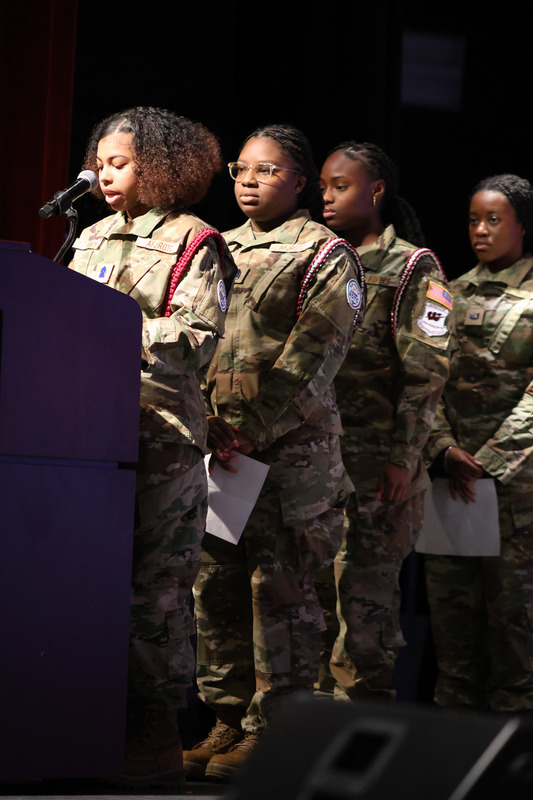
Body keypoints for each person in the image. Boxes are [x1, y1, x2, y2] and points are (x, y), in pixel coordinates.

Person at [182, 124, 365, 781]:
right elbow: (193, 342)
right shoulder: (216, 248)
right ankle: (227, 719)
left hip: (290, 456)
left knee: (280, 592)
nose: (249, 181)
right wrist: (205, 422)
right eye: (241, 169)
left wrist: (253, 427)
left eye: (266, 170)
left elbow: (314, 357)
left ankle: (277, 730)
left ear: (300, 182)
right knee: (216, 589)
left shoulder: (325, 255)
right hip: (220, 450)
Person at [68, 106, 236, 786]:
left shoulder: (197, 241)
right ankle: (82, 722)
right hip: (84, 432)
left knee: (155, 591)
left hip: (161, 436)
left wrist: (114, 331)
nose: (105, 175)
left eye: (121, 163)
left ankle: (156, 732)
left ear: (162, 166)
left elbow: (197, 337)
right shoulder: (89, 237)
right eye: (101, 163)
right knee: (89, 584)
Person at [316, 141, 452, 700]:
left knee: (364, 606)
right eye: (322, 185)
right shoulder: (319, 257)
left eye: (339, 186)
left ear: (375, 191)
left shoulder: (415, 267)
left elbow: (428, 372)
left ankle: (356, 739)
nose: (326, 197)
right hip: (319, 461)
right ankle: (304, 736)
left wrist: (404, 457)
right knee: (314, 603)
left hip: (379, 468)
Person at [424, 173, 533, 712]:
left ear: (522, 225)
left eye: (494, 219)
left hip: (517, 492)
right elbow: (426, 375)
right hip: (452, 482)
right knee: (452, 628)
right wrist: (443, 448)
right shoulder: (447, 291)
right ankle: (449, 756)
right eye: (473, 219)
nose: (481, 230)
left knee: (515, 628)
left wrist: (490, 460)